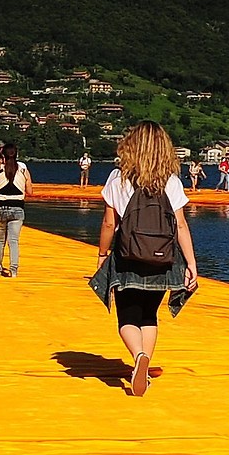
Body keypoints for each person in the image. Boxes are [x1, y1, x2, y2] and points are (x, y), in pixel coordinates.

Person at [94, 122, 198, 398]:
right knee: (149, 315)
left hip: (127, 256)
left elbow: (108, 224)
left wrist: (102, 254)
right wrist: (191, 263)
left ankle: (138, 355)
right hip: (163, 259)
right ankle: (144, 365)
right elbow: (180, 226)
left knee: (127, 315)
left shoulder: (118, 179)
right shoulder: (171, 182)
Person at [0, 143, 30, 277]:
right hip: (17, 207)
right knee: (14, 241)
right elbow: (30, 191)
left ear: (3, 156)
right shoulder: (23, 169)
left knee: (0, 240)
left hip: (0, 207)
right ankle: (13, 270)